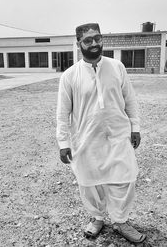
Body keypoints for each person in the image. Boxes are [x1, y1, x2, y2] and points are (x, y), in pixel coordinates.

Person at [56, 23, 146, 243]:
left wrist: (135, 127)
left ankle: (121, 220)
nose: (94, 43)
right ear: (79, 43)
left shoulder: (117, 67)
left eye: (97, 38)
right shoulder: (69, 76)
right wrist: (63, 142)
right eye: (88, 40)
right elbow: (62, 113)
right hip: (86, 140)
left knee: (124, 179)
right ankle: (97, 218)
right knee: (89, 183)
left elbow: (130, 100)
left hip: (118, 136)